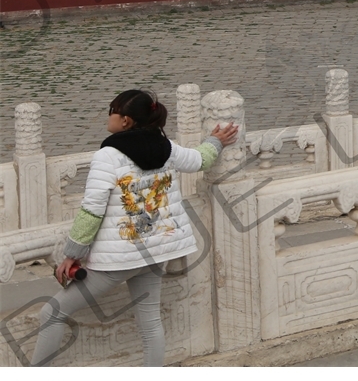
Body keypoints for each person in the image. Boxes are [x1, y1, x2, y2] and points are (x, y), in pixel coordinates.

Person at [31, 89, 240, 366]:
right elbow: (200, 160)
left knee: (52, 313)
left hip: (121, 259)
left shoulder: (108, 156)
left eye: (112, 111)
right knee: (150, 322)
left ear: (126, 121)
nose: (109, 117)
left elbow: (92, 208)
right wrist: (216, 140)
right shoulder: (166, 147)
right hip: (155, 253)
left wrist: (73, 253)